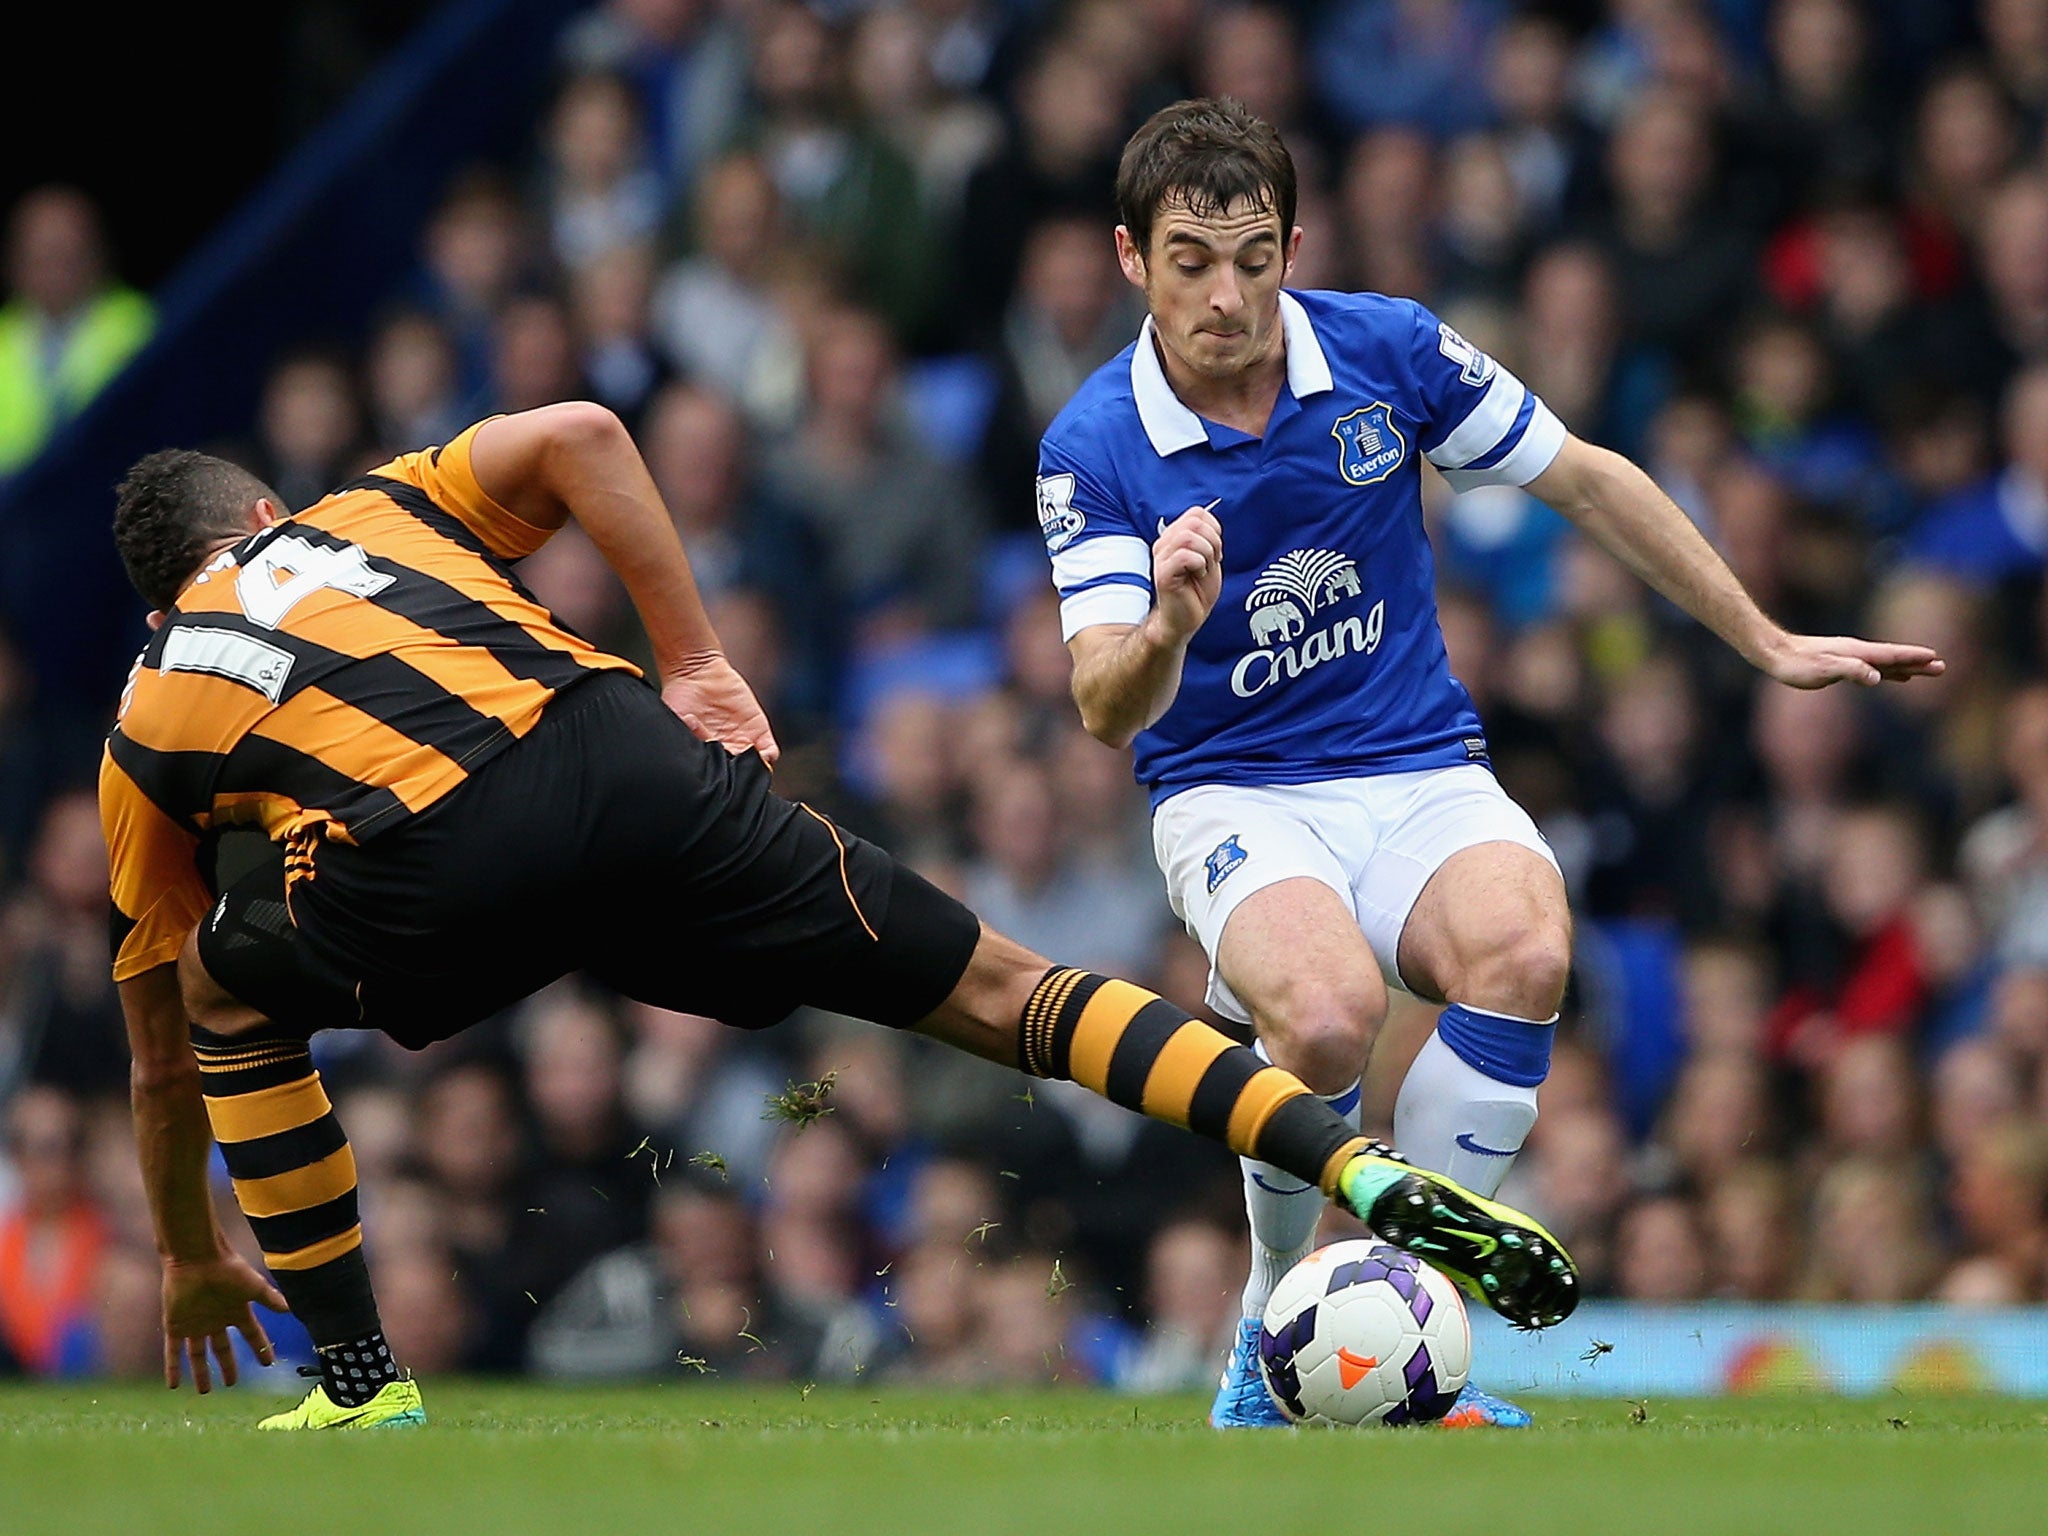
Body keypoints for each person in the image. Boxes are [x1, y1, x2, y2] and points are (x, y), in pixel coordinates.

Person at [100, 402, 1578, 1431]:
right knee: (1013, 995)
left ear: (162, 599)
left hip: (428, 873)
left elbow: (156, 1028)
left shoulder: (152, 702)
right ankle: (1363, 1173)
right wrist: (692, 659)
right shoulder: (370, 508)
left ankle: (360, 1383)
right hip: (622, 761)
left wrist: (184, 1248)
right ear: (263, 515)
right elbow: (585, 435)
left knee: (223, 999)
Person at [1036, 98, 1944, 1429]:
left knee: (1526, 950)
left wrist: (1764, 636)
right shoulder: (1094, 444)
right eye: (1189, 261)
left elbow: (1583, 478)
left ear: (1294, 244)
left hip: (1412, 762)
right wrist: (1169, 621)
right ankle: (1267, 1330)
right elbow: (1105, 707)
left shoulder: (1387, 351)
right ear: (1131, 258)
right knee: (1332, 1016)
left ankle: (1400, 1327)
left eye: (1254, 256)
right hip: (1231, 789)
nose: (1225, 294)